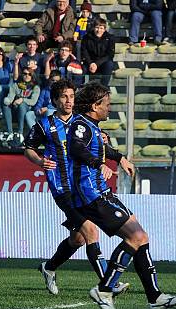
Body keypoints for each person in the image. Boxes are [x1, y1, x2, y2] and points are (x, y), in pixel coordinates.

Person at [68, 82, 176, 309]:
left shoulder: (92, 126)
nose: (110, 109)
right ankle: (105, 290)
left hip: (102, 193)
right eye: (107, 104)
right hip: (91, 196)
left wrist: (119, 157)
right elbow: (76, 148)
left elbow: (101, 148)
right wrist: (98, 163)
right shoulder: (80, 125)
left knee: (141, 237)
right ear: (95, 105)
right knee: (137, 236)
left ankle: (155, 297)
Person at [24, 78, 130, 296]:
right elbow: (29, 148)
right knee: (91, 232)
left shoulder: (82, 123)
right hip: (63, 189)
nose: (69, 101)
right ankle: (108, 283)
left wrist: (118, 158)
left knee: (79, 238)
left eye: (72, 96)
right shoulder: (45, 125)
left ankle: (49, 267)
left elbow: (101, 147)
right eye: (64, 96)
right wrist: (39, 161)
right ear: (54, 100)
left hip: (83, 187)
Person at [2, 70, 40, 148]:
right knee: (6, 105)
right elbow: (10, 96)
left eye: (29, 74)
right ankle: (10, 133)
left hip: (28, 111)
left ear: (32, 76)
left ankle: (20, 132)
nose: (27, 76)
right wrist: (8, 100)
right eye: (25, 73)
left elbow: (33, 102)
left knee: (22, 105)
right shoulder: (16, 85)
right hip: (16, 110)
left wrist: (22, 100)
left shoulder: (35, 87)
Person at [81, 18, 115, 86]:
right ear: (93, 28)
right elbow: (84, 51)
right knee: (82, 68)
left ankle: (103, 87)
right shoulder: (86, 37)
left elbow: (110, 54)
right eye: (97, 27)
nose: (99, 30)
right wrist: (90, 63)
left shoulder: (110, 38)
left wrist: (96, 64)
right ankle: (83, 88)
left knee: (109, 64)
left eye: (101, 28)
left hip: (102, 63)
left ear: (104, 29)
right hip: (89, 63)